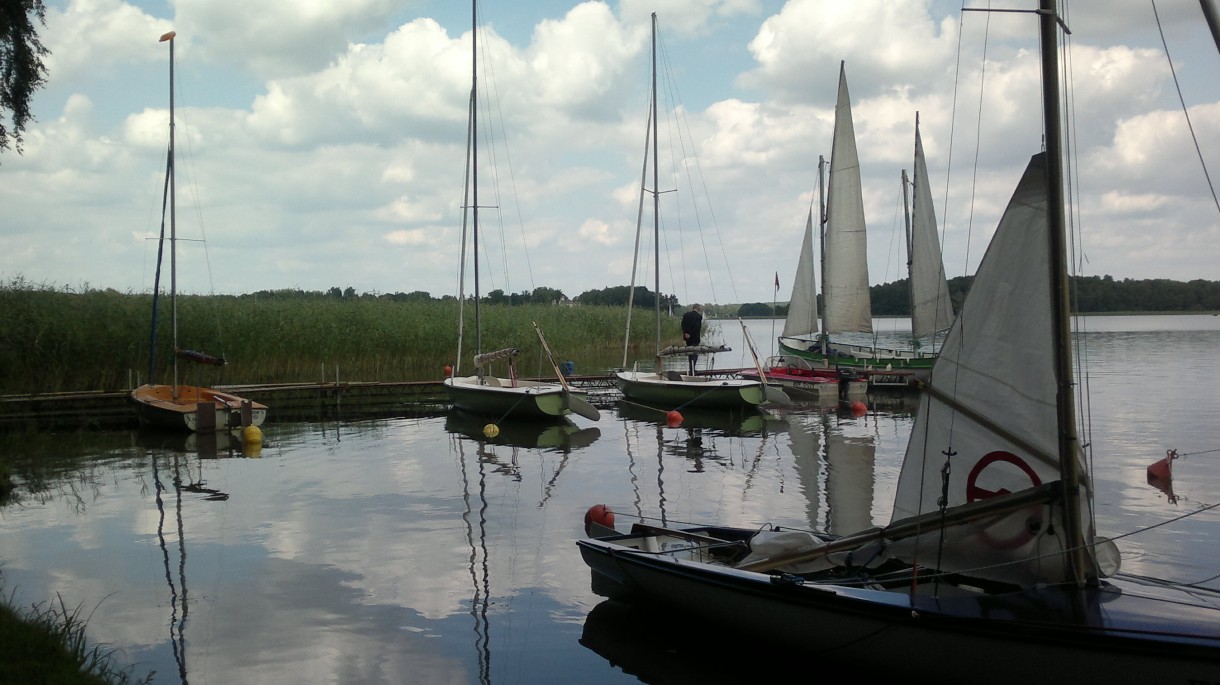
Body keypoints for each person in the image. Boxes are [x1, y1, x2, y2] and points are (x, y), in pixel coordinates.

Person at [680, 303, 703, 375]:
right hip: (694, 337)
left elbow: (683, 324)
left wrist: (686, 333)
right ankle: (692, 369)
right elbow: (696, 328)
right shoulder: (698, 316)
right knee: (695, 353)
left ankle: (691, 368)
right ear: (698, 308)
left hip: (687, 337)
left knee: (690, 353)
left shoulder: (686, 315)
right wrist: (691, 334)